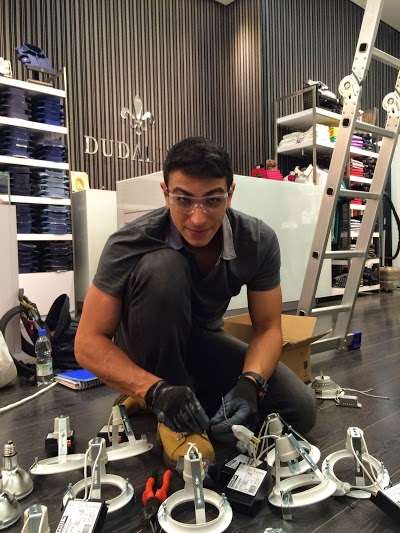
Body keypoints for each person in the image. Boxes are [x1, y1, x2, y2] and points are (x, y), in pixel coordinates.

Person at [75, 136, 316, 465]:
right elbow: (87, 343)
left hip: (203, 340)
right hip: (145, 346)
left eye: (213, 200)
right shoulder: (129, 242)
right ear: (165, 193)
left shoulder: (257, 240)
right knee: (163, 268)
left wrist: (251, 382)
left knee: (299, 410)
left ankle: (173, 394)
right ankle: (159, 400)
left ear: (230, 194)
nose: (198, 218)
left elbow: (268, 328)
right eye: (183, 200)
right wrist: (156, 390)